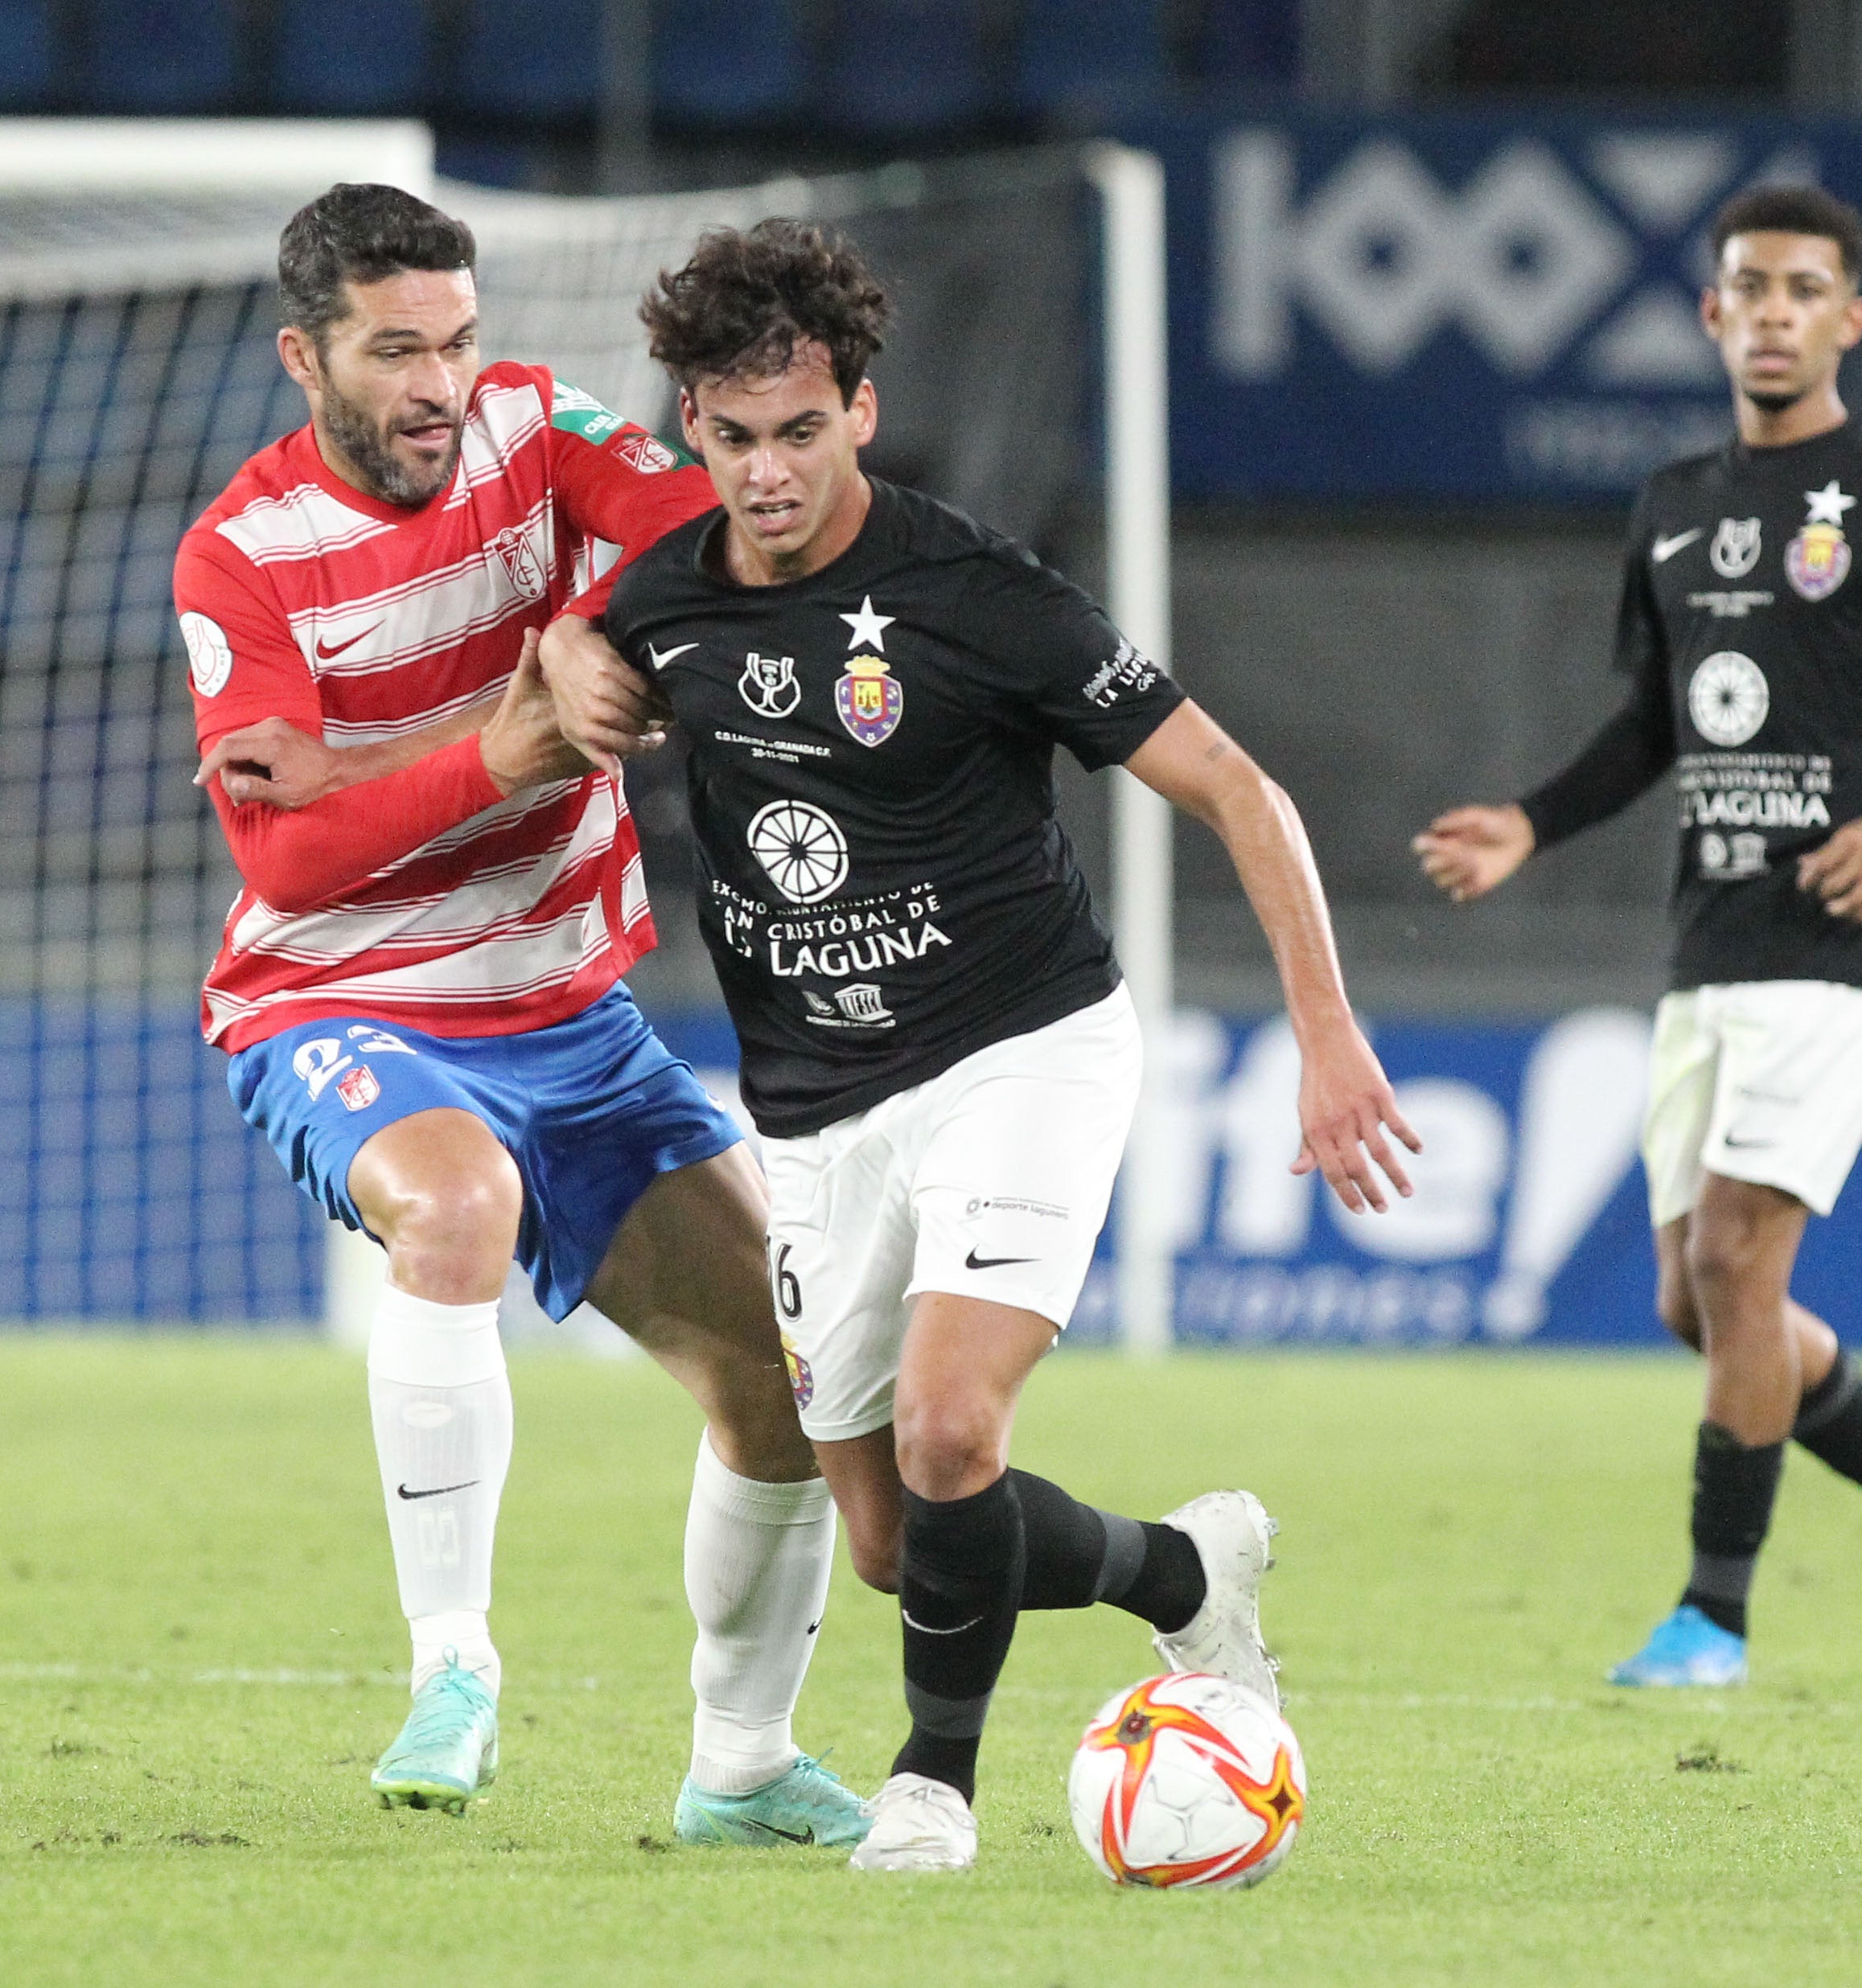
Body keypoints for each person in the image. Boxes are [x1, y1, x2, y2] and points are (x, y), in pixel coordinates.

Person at [561, 219, 1418, 1872]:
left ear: (861, 413)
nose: (768, 474)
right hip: (813, 1114)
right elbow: (578, 663)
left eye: (800, 432)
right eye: (732, 439)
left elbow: (1241, 790)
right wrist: (556, 656)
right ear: (687, 429)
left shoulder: (975, 594)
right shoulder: (664, 606)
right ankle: (1183, 1577)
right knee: (892, 1538)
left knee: (956, 1431)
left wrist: (1327, 1035)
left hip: (1022, 1051)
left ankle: (930, 1786)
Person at [179, 184, 865, 1845]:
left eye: (458, 340)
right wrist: (493, 755)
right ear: (304, 357)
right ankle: (454, 1665)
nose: (439, 382)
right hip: (336, 997)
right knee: (459, 1208)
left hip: (565, 1012)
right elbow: (285, 844)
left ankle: (744, 1766)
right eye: (395, 350)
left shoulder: (528, 421)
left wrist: (587, 621)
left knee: (796, 1377)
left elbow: (678, 528)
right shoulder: (241, 553)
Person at [1414, 184, 1862, 1690]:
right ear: (1711, 314)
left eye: (1802, 290)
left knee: (1733, 1256)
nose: (1771, 312)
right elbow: (1651, 723)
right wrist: (1529, 820)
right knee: (1690, 1299)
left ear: (1849, 318)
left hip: (1846, 950)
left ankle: (1713, 1617)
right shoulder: (1671, 506)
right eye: (1746, 287)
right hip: (1711, 943)